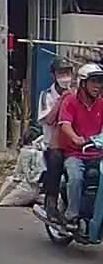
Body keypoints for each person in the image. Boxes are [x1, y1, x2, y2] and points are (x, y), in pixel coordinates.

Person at [57, 62, 103, 237]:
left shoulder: (101, 104)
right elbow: (65, 124)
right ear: (83, 83)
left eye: (100, 82)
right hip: (76, 154)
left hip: (98, 154)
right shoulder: (70, 101)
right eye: (94, 82)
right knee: (76, 178)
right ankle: (72, 216)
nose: (98, 86)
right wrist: (76, 138)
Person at [40, 58, 76, 222]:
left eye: (67, 73)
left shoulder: (77, 95)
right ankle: (51, 201)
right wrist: (62, 100)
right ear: (54, 75)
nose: (65, 77)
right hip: (53, 145)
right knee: (55, 161)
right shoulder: (47, 95)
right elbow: (48, 120)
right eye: (61, 73)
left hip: (74, 144)